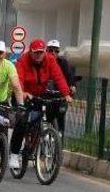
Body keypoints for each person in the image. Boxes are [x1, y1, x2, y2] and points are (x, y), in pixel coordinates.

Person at [9, 39, 73, 168]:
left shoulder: (50, 60)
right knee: (22, 121)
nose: (39, 55)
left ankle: (46, 132)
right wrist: (23, 93)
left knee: (54, 105)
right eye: (36, 52)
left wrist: (66, 94)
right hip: (23, 94)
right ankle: (14, 154)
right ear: (31, 52)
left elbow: (58, 76)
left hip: (39, 93)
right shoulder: (23, 60)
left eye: (41, 52)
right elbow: (19, 79)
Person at [46, 39, 75, 135]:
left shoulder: (63, 63)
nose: (53, 53)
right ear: (46, 50)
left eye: (56, 51)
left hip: (59, 94)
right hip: (44, 94)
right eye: (51, 50)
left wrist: (72, 86)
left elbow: (69, 77)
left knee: (60, 115)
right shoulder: (41, 62)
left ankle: (59, 137)